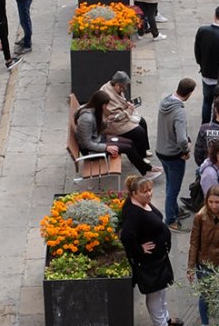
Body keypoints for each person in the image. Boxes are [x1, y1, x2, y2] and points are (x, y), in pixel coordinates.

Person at [119, 175, 183, 326]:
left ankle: (166, 318)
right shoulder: (134, 212)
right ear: (134, 193)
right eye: (144, 191)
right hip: (149, 262)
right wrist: (140, 249)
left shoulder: (141, 204)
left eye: (149, 190)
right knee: (155, 293)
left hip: (158, 258)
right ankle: (161, 325)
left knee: (162, 290)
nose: (149, 194)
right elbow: (126, 236)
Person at [76, 90, 162, 179]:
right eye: (106, 105)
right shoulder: (86, 119)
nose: (106, 107)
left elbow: (95, 129)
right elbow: (86, 143)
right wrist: (106, 148)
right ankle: (147, 172)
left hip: (99, 140)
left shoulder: (92, 111)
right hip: (92, 150)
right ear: (101, 105)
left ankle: (148, 168)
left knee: (130, 143)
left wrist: (107, 122)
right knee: (128, 148)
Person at [187, 184, 219, 326]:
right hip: (204, 262)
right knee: (205, 295)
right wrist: (190, 267)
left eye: (217, 202)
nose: (214, 205)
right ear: (206, 201)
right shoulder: (200, 217)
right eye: (211, 202)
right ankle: (205, 325)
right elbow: (194, 243)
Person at [156, 78, 197, 231]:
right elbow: (181, 138)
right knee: (173, 189)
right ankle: (170, 219)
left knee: (169, 184)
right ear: (190, 93)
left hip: (161, 150)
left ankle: (173, 210)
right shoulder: (179, 112)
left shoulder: (166, 101)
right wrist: (186, 149)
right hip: (174, 154)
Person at [100, 71, 152, 160]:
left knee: (142, 121)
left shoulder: (114, 88)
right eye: (123, 87)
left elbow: (120, 103)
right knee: (139, 132)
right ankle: (140, 157)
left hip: (121, 118)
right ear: (117, 84)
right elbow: (115, 116)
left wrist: (127, 105)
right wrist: (129, 110)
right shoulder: (107, 95)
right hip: (112, 124)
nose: (124, 89)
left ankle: (143, 150)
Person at [195, 5, 219, 124]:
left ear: (215, 15)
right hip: (218, 75)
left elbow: (197, 50)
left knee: (206, 101)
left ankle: (204, 124)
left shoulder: (202, 30)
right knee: (218, 102)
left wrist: (201, 63)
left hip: (205, 72)